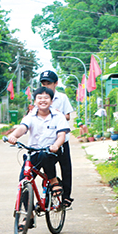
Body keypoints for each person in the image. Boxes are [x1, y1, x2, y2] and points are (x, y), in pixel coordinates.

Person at [5, 86, 69, 198]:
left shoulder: (59, 116)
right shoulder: (31, 116)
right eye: (39, 98)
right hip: (34, 152)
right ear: (35, 101)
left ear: (51, 101)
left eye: (46, 98)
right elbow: (23, 128)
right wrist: (13, 136)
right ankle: (27, 213)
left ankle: (54, 181)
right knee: (24, 181)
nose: (43, 100)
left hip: (51, 153)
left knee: (45, 155)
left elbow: (61, 136)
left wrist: (56, 145)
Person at [39, 70, 75, 208]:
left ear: (56, 84)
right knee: (45, 164)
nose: (46, 86)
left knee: (66, 168)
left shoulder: (62, 98)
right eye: (44, 83)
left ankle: (66, 197)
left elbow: (67, 116)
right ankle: (45, 194)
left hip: (61, 139)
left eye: (49, 83)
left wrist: (56, 114)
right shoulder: (40, 98)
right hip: (46, 140)